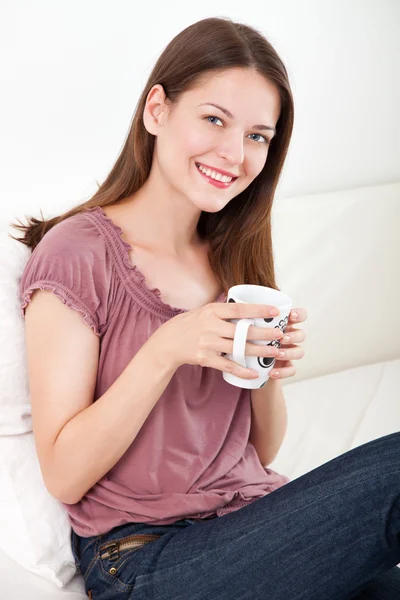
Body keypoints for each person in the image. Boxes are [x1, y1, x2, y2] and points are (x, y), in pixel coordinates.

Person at [12, 16, 400, 600]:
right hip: (145, 560)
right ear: (157, 111)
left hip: (249, 525)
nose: (234, 153)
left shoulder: (231, 258)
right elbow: (64, 473)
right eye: (214, 119)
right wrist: (167, 349)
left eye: (257, 136)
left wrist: (265, 371)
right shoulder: (78, 254)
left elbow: (258, 453)